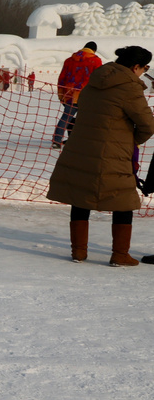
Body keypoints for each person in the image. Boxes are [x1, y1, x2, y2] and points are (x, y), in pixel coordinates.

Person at [47, 46, 154, 266]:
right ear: (136, 67)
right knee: (123, 199)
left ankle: (78, 252)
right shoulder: (130, 88)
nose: (145, 72)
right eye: (145, 68)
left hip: (81, 147)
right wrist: (131, 140)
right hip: (113, 151)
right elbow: (148, 125)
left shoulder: (94, 81)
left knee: (80, 195)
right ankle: (119, 254)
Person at [52, 42, 103, 149]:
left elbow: (62, 78)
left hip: (70, 94)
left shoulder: (69, 60)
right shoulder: (96, 61)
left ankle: (56, 140)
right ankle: (83, 140)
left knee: (66, 117)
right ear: (94, 50)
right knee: (87, 119)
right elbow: (99, 79)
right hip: (88, 95)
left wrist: (61, 95)